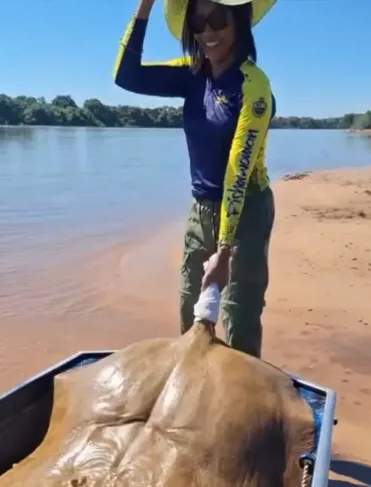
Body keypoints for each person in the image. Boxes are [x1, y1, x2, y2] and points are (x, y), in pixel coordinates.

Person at [114, 0, 277, 358]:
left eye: (217, 19)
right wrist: (145, 5)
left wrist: (224, 251)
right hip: (201, 209)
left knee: (238, 317)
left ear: (239, 20)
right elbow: (126, 76)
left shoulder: (254, 87)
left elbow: (238, 170)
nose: (207, 33)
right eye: (197, 24)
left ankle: (242, 405)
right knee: (191, 311)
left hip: (246, 209)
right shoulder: (192, 75)